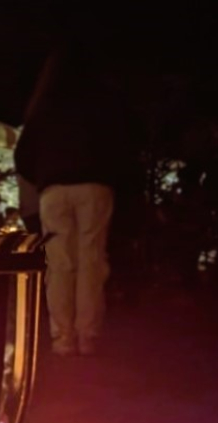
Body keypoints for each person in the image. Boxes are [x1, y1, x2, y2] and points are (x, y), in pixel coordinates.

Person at [14, 44, 139, 356]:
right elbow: (124, 147)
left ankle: (63, 338)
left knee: (59, 265)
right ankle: (88, 336)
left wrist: (43, 177)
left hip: (53, 190)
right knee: (91, 260)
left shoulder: (43, 105)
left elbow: (23, 155)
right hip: (94, 186)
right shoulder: (104, 102)